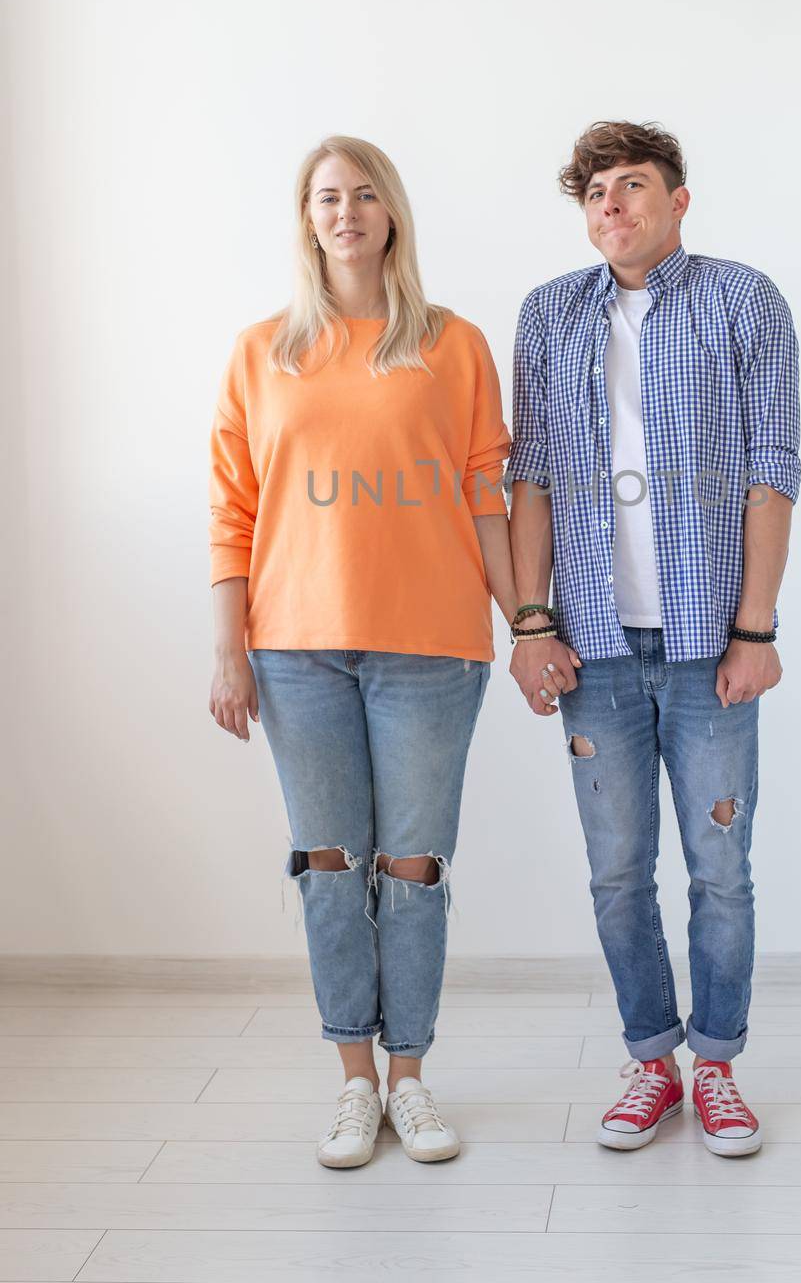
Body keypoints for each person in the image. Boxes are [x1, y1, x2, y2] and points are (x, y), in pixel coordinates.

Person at [207, 135, 518, 1169]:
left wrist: (526, 621)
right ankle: (351, 1082)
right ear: (308, 218)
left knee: (413, 868)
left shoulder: (454, 343)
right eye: (326, 197)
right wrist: (227, 646)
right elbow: (233, 508)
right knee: (330, 866)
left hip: (430, 646)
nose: (344, 211)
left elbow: (487, 494)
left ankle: (410, 1079)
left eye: (363, 193)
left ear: (391, 212)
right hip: (295, 649)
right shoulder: (264, 351)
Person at [506, 120, 801, 1156]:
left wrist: (753, 627)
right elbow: (528, 478)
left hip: (704, 644)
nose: (611, 206)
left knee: (719, 864)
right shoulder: (547, 316)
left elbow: (772, 468)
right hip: (590, 644)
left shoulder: (742, 300)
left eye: (631, 186)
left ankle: (715, 1065)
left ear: (677, 200)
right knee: (616, 869)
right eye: (594, 193)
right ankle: (650, 1061)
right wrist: (530, 618)